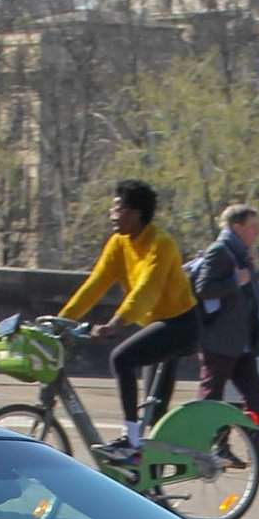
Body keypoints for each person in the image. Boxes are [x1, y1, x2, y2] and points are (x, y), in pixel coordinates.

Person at [59, 180, 199, 460]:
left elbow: (146, 291)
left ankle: (130, 442)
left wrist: (115, 323)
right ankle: (152, 488)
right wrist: (60, 320)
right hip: (155, 325)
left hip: (181, 325)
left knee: (121, 358)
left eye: (118, 208)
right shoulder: (119, 243)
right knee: (156, 417)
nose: (112, 213)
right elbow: (96, 284)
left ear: (135, 214)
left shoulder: (161, 244)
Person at [191, 203, 259, 472]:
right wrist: (237, 280)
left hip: (242, 342)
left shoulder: (241, 253)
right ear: (237, 227)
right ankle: (208, 447)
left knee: (254, 396)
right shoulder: (220, 252)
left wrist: (252, 274)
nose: (257, 232)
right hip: (219, 341)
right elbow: (204, 289)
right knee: (212, 397)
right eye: (253, 226)